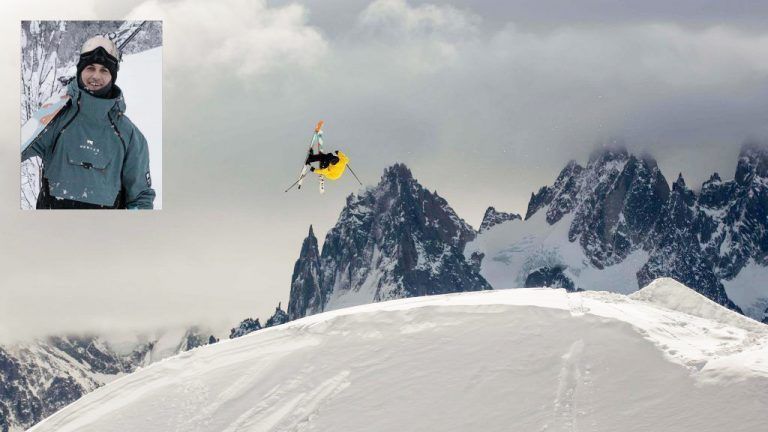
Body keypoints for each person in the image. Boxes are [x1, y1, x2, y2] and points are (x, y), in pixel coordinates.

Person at [21, 35, 155, 209]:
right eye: (90, 68)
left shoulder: (128, 135)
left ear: (113, 76)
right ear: (80, 71)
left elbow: (141, 198)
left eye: (104, 70)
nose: (96, 76)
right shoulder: (55, 119)